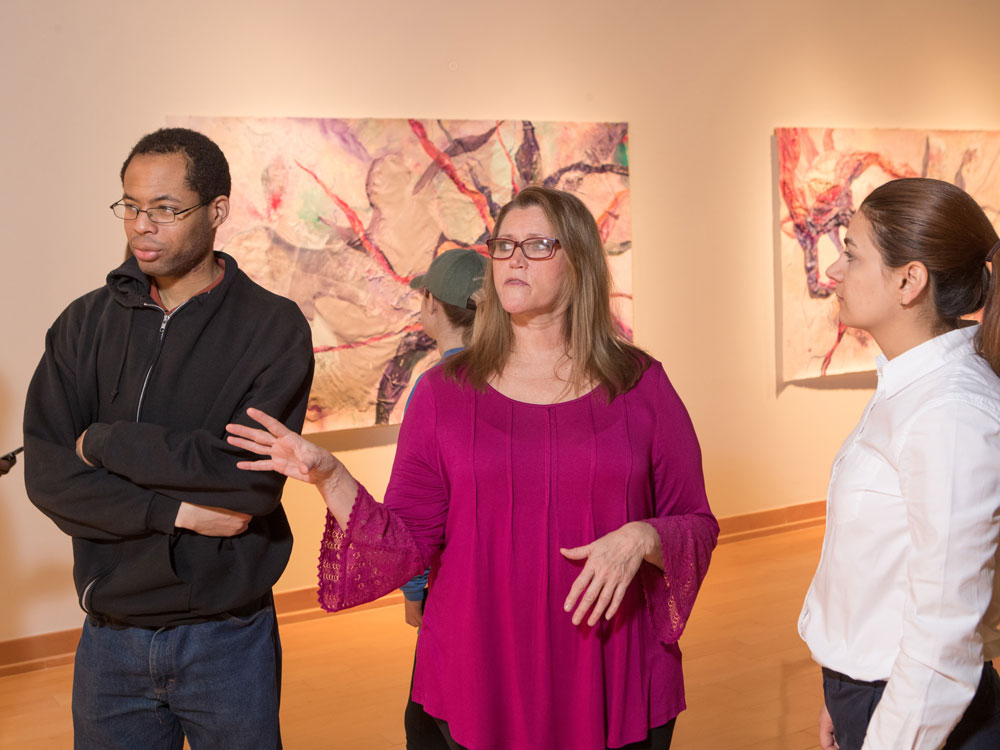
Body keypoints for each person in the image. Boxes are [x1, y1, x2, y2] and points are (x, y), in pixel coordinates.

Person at [227, 186, 718, 750]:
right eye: (503, 244)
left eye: (536, 245)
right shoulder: (443, 394)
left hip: (609, 665)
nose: (513, 258)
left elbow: (697, 523)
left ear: (579, 261)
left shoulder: (641, 384)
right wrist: (331, 476)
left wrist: (643, 537)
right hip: (480, 670)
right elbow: (405, 544)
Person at [23, 128, 314, 749]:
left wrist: (103, 443)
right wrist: (175, 509)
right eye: (129, 205)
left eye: (164, 208)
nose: (140, 226)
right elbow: (48, 473)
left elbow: (248, 481)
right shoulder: (81, 325)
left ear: (216, 212)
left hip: (227, 637)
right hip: (110, 638)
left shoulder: (272, 327)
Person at [799, 177, 1000, 750]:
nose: (834, 271)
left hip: (919, 716)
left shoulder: (953, 414)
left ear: (909, 280)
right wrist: (843, 686)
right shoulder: (912, 387)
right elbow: (879, 572)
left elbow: (944, 637)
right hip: (873, 694)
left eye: (852, 253)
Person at [400, 247, 486, 749]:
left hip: (449, 587)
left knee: (431, 723)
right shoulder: (513, 378)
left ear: (432, 303)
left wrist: (414, 590)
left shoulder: (434, 389)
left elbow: (417, 510)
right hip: (495, 581)